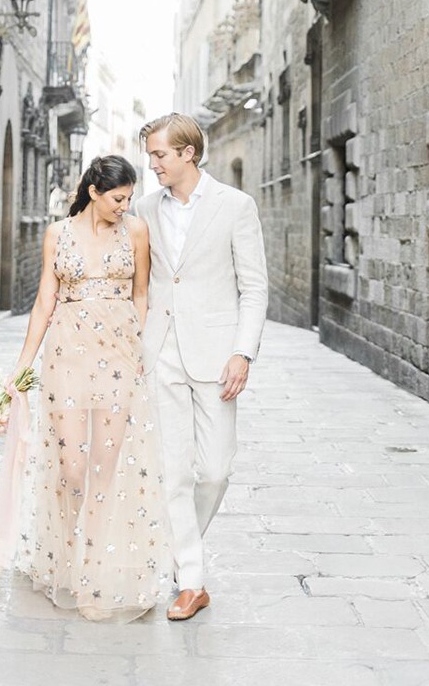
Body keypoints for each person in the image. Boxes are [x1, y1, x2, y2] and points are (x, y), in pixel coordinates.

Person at [4, 155, 169, 622]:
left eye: (130, 198)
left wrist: (137, 350)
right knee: (73, 468)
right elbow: (43, 300)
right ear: (94, 192)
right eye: (119, 197)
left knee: (107, 467)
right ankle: (70, 557)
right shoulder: (58, 234)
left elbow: (142, 293)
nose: (126, 205)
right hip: (67, 355)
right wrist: (22, 366)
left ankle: (95, 577)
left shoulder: (135, 231)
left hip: (118, 356)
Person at [135, 113, 268, 621]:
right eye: (150, 156)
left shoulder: (235, 207)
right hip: (160, 349)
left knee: (214, 469)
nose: (153, 165)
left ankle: (174, 549)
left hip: (216, 353)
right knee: (172, 471)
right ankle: (191, 580)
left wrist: (243, 350)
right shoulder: (145, 209)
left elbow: (253, 286)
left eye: (160, 155)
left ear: (188, 152)